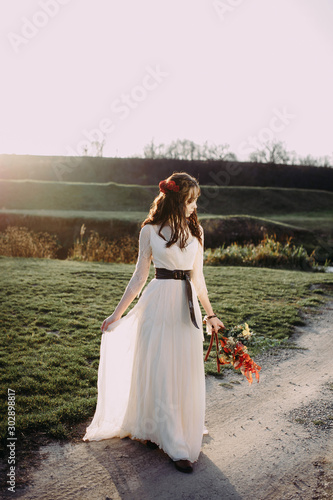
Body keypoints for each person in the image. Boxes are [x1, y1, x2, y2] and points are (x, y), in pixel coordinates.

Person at [83, 172, 224, 473]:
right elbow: (139, 277)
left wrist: (211, 314)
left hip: (185, 309)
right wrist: (116, 314)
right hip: (157, 304)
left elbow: (199, 280)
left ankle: (170, 430)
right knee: (159, 368)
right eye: (190, 200)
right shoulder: (150, 231)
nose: (194, 206)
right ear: (176, 199)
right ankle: (168, 440)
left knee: (182, 369)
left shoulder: (196, 233)